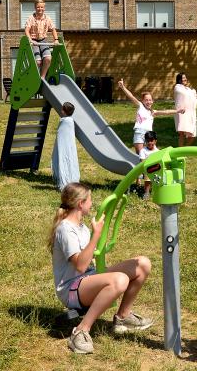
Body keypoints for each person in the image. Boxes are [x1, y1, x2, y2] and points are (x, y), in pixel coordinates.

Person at [48, 183, 154, 354]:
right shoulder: (65, 229)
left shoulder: (81, 226)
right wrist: (96, 234)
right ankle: (81, 331)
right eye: (90, 199)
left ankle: (123, 317)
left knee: (142, 264)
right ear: (80, 204)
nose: (92, 203)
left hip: (88, 279)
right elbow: (81, 266)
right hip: (71, 289)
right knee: (120, 280)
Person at [117, 78, 184, 155]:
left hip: (149, 136)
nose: (148, 102)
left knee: (151, 155)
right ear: (142, 101)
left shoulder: (153, 112)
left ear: (152, 101)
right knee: (140, 155)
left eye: (150, 100)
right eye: (146, 100)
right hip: (139, 134)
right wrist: (123, 87)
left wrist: (177, 111)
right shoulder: (140, 106)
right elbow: (131, 96)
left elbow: (166, 112)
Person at [24, 0, 59, 79]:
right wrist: (30, 40)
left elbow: (53, 29)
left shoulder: (47, 18)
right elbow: (26, 30)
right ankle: (34, 76)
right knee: (38, 61)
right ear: (35, 8)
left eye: (42, 7)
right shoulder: (31, 18)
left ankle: (42, 77)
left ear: (44, 8)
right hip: (34, 40)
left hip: (43, 40)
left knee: (48, 58)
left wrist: (56, 40)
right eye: (38, 7)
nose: (40, 9)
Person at [52, 102, 80, 191]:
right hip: (68, 147)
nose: (61, 110)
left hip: (64, 147)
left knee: (64, 160)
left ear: (64, 111)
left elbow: (62, 134)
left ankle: (64, 182)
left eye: (62, 109)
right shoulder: (70, 120)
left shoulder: (64, 121)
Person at [173, 73, 197, 147]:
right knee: (182, 132)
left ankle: (184, 149)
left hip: (191, 114)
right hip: (182, 112)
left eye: (185, 77)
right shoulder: (177, 87)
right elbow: (182, 95)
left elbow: (194, 98)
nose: (185, 79)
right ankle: (180, 149)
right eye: (183, 78)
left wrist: (193, 92)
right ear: (179, 80)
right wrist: (192, 92)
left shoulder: (189, 89)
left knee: (193, 135)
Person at [139, 131, 159, 200]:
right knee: (147, 181)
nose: (149, 143)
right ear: (145, 141)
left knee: (157, 180)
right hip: (147, 169)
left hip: (156, 168)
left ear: (155, 141)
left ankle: (156, 191)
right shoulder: (143, 151)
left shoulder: (157, 151)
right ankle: (147, 193)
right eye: (147, 141)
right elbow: (142, 161)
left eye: (151, 141)